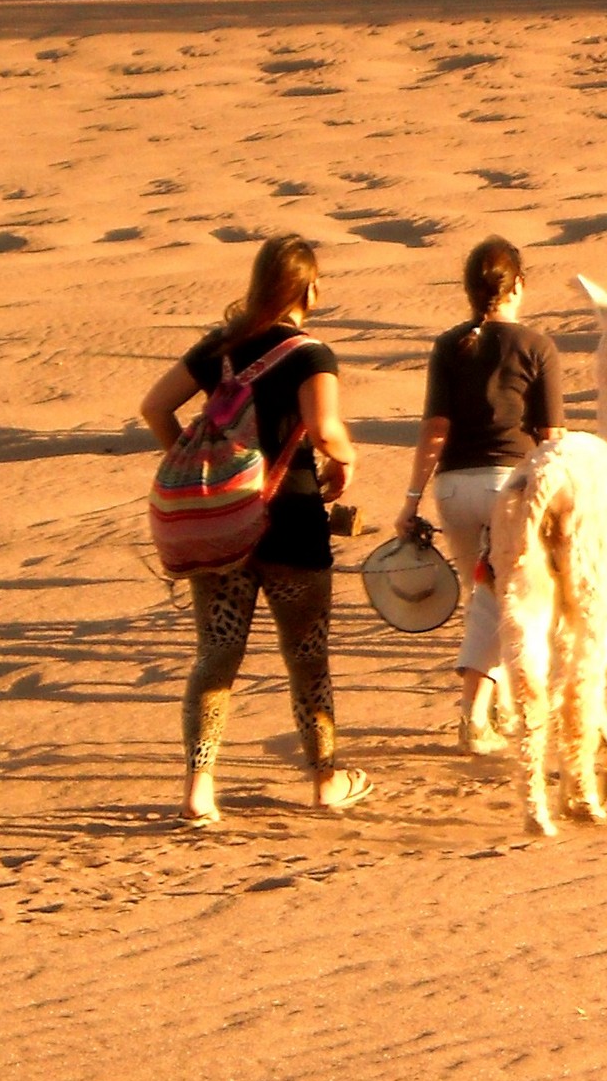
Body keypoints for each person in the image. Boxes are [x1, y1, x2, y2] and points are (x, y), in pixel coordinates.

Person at [138, 235, 365, 823]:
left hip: (222, 530)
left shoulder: (220, 348)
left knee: (216, 657)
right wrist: (348, 459)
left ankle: (198, 791)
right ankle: (324, 781)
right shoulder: (311, 354)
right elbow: (323, 428)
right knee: (307, 657)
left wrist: (194, 464)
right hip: (291, 524)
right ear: (309, 288)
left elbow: (155, 406)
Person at [396, 235, 564, 753]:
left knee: (483, 595)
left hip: (451, 490)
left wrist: (411, 499)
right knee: (498, 599)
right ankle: (474, 716)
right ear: (519, 285)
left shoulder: (449, 345)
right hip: (509, 488)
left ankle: (495, 710)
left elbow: (435, 429)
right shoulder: (537, 346)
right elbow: (552, 440)